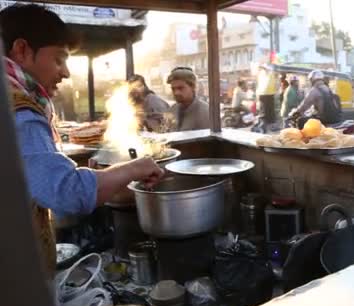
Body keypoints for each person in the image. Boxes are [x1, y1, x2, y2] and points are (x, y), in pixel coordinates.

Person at [2, 4, 164, 273]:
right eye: (58, 59)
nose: (65, 72)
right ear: (21, 50)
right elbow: (69, 191)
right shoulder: (18, 110)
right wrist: (135, 167)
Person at [167, 67, 210, 131]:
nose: (176, 93)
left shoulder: (206, 112)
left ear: (193, 87)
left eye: (180, 88)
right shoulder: (172, 110)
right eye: (173, 89)